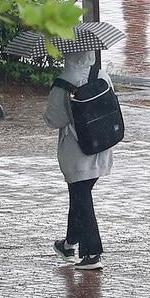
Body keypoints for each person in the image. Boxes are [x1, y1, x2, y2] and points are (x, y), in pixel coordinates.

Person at [45, 48, 115, 271]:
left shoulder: (64, 82)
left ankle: (92, 253)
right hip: (101, 145)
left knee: (81, 196)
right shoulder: (102, 76)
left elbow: (54, 119)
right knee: (79, 195)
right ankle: (69, 243)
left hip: (76, 150)